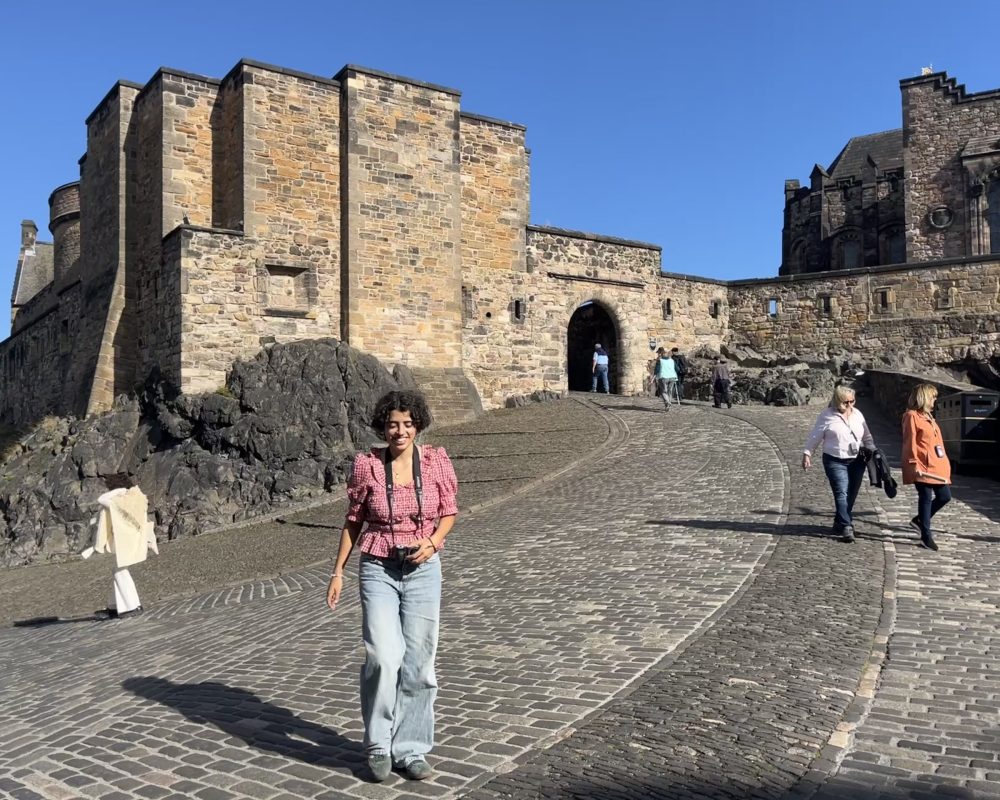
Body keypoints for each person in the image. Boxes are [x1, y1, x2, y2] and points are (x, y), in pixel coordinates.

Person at [326, 390, 458, 782]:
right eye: (392, 424)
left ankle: (412, 748)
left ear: (417, 425)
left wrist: (433, 542)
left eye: (406, 423)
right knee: (384, 656)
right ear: (383, 426)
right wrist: (338, 572)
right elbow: (353, 521)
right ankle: (379, 743)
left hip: (423, 568)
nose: (399, 431)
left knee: (419, 663)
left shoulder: (436, 461)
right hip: (379, 567)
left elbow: (449, 513)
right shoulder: (366, 465)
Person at [801, 385, 875, 542]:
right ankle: (847, 525)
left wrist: (873, 451)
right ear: (837, 401)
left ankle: (839, 522)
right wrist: (807, 453)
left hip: (857, 460)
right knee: (841, 492)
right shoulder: (826, 415)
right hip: (834, 459)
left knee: (852, 493)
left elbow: (867, 437)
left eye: (852, 401)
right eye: (845, 402)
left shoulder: (858, 415)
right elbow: (815, 436)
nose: (849, 405)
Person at [901, 383, 951, 551]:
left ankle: (920, 520)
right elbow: (910, 442)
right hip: (922, 465)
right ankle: (926, 536)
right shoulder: (912, 416)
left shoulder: (929, 417)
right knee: (925, 497)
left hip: (936, 465)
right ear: (923, 397)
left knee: (945, 496)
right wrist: (913, 463)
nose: (935, 400)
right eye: (932, 396)